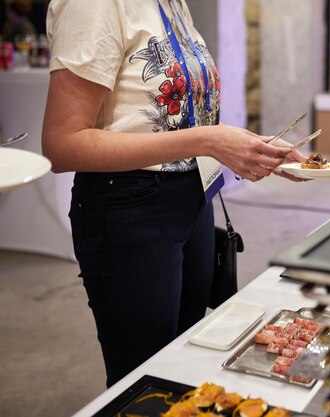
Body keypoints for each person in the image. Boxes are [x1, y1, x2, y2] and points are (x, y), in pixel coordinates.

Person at [43, 0, 306, 387]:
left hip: (192, 201)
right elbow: (62, 144)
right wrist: (209, 140)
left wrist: (247, 147)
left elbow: (177, 120)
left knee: (181, 362)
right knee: (142, 377)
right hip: (130, 210)